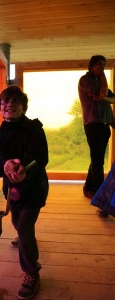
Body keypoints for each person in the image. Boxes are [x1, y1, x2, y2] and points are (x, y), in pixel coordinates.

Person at [0, 85, 49, 299]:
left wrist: (23, 169)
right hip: (13, 189)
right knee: (19, 225)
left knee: (24, 227)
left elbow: (40, 157)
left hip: (34, 187)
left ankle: (31, 272)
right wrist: (6, 165)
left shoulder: (34, 128)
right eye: (5, 102)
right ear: (0, 107)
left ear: (23, 107)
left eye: (15, 102)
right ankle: (25, 239)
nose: (10, 105)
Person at [78, 55, 115, 217]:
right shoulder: (86, 80)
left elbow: (111, 98)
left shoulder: (99, 81)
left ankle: (88, 188)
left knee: (97, 158)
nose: (102, 67)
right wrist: (102, 77)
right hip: (93, 124)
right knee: (98, 160)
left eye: (104, 65)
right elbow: (102, 93)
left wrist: (104, 96)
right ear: (91, 65)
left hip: (104, 124)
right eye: (99, 64)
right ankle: (101, 200)